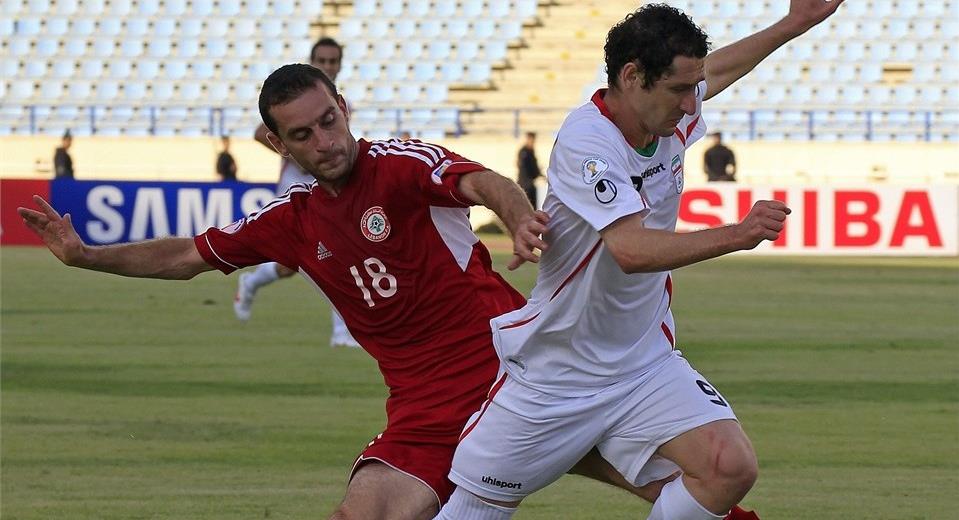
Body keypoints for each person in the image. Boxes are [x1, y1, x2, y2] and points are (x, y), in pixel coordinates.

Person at [18, 63, 552, 520]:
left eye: (329, 121)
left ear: (344, 108)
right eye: (302, 135)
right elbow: (185, 256)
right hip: (425, 411)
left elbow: (482, 183)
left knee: (635, 469)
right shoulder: (292, 219)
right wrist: (87, 256)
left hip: (516, 375)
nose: (325, 142)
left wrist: (520, 216)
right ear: (276, 143)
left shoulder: (399, 164)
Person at [436, 2, 844, 519]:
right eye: (678, 89)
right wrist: (738, 234)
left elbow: (715, 72)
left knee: (728, 466)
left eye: (692, 88)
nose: (690, 102)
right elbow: (630, 250)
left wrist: (794, 23)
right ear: (632, 77)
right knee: (478, 505)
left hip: (643, 361)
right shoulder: (589, 140)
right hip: (559, 370)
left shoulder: (670, 111)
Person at [239, 36, 360, 349]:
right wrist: (298, 155)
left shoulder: (338, 101)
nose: (329, 66)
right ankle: (251, 282)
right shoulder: (296, 96)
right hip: (295, 185)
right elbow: (258, 133)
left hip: (326, 184)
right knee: (293, 263)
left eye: (334, 61)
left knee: (336, 250)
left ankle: (342, 332)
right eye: (323, 61)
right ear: (313, 60)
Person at [516, 132, 541, 208]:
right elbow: (526, 169)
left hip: (530, 184)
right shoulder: (524, 152)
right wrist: (537, 173)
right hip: (525, 184)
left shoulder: (531, 151)